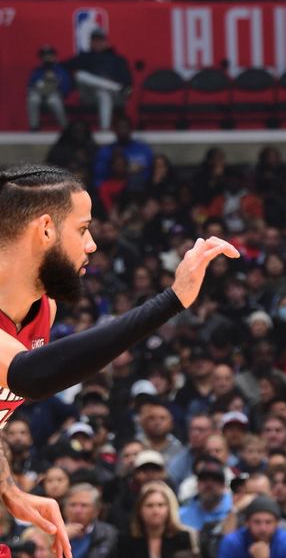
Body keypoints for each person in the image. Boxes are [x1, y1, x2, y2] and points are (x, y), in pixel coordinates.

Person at [0, 164, 238, 557]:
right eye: (82, 228)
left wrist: (8, 488)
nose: (91, 244)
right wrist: (171, 300)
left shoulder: (45, 310)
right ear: (45, 229)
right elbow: (29, 374)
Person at [62, 29, 132, 131]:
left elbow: (127, 81)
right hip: (92, 95)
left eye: (100, 41)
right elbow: (63, 66)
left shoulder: (117, 59)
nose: (97, 43)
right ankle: (114, 86)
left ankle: (104, 130)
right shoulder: (84, 57)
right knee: (80, 75)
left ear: (106, 43)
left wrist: (124, 86)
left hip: (115, 96)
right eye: (94, 40)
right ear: (90, 42)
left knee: (103, 93)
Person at [118, 481, 195, 558]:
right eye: (149, 505)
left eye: (161, 505)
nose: (155, 511)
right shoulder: (126, 540)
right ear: (139, 510)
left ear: (169, 509)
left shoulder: (182, 538)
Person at [217, 495, 286, 558]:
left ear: (277, 523)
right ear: (247, 523)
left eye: (268, 522)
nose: (263, 528)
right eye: (257, 522)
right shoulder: (232, 542)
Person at [63, 483, 118, 558]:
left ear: (96, 511)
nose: (77, 511)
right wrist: (60, 538)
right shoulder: (53, 532)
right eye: (73, 505)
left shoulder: (107, 533)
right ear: (65, 509)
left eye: (84, 505)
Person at [26, 45, 71, 131]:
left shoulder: (60, 70)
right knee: (33, 99)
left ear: (54, 57)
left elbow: (66, 86)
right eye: (44, 56)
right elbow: (30, 86)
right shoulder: (37, 71)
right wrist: (43, 83)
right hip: (39, 95)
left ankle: (65, 127)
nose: (47, 58)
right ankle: (34, 127)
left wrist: (57, 88)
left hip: (54, 95)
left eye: (49, 55)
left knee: (53, 101)